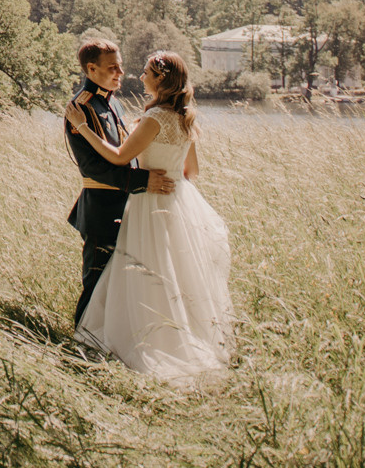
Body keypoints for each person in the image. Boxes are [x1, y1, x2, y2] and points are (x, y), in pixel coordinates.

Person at [72, 50, 235, 380]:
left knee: (148, 271)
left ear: (160, 79)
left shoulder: (155, 117)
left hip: (150, 204)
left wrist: (83, 129)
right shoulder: (184, 117)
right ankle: (184, 338)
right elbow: (192, 170)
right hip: (179, 201)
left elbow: (119, 157)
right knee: (177, 274)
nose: (140, 76)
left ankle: (148, 342)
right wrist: (167, 165)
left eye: (146, 71)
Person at [61, 37, 172, 332]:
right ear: (91, 69)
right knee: (96, 283)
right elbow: (93, 168)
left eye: (120, 67)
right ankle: (81, 344)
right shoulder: (80, 108)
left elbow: (125, 151)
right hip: (101, 209)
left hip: (130, 205)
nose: (121, 73)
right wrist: (143, 180)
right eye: (113, 68)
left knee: (125, 283)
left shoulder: (116, 104)